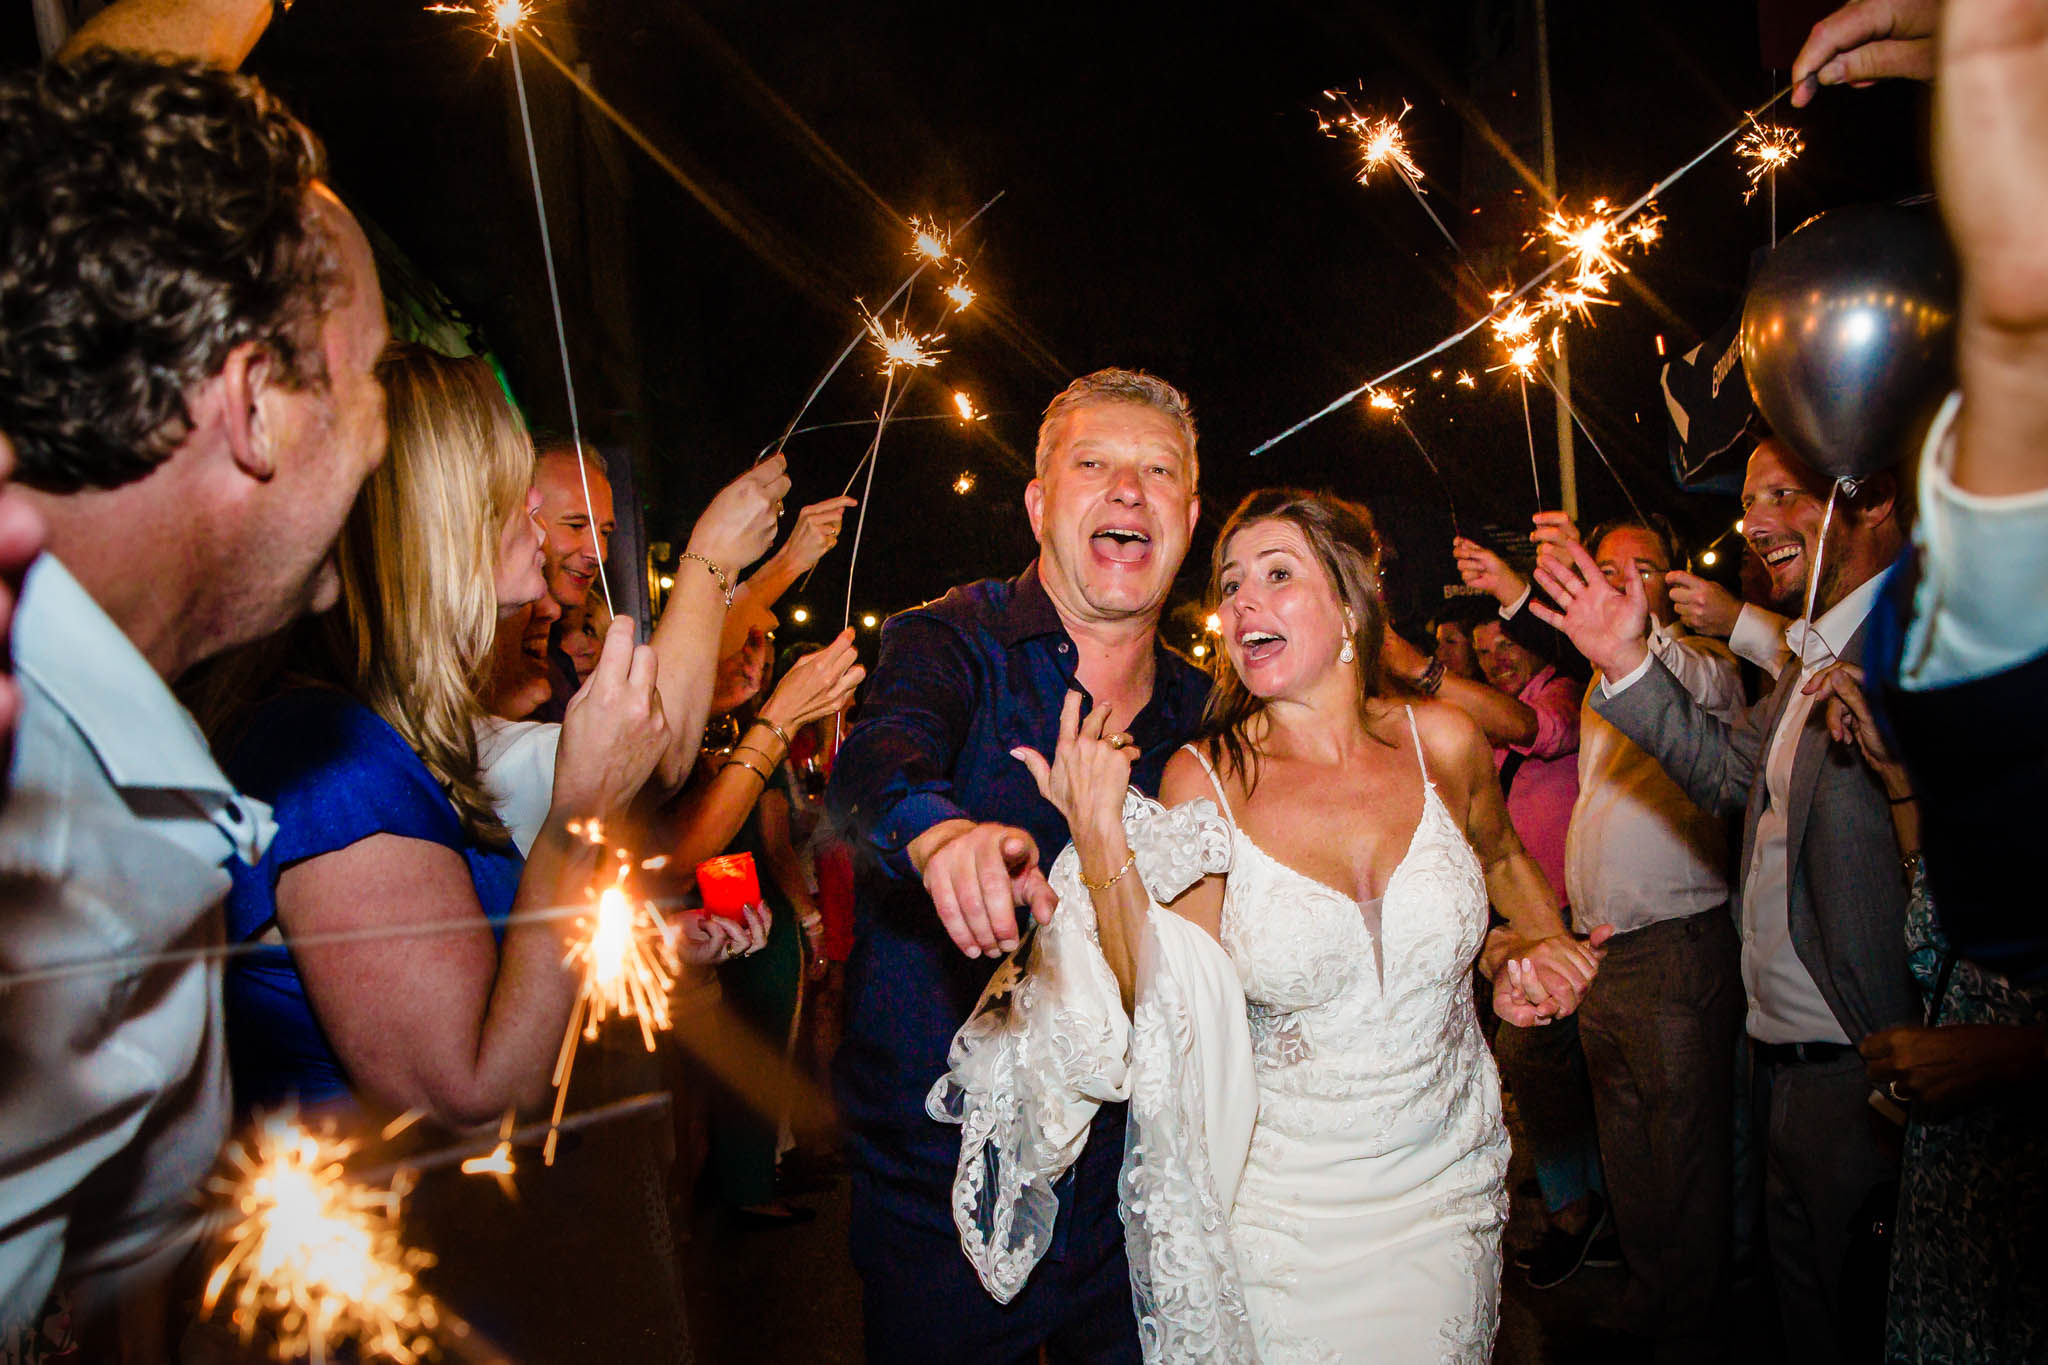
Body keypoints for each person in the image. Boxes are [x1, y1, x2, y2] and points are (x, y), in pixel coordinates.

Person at [951, 488, 1606, 1363]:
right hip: (1287, 1218)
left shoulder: (1442, 741)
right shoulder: (1204, 778)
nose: (1242, 601)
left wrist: (1530, 942)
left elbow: (1501, 861)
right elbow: (1165, 999)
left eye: (1277, 574)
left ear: (1348, 603)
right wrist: (1100, 831)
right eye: (1230, 584)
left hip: (1447, 1186)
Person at [0, 51, 385, 1337]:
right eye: (372, 374)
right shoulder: (48, 806)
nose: (383, 435)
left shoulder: (123, 771)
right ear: (257, 406)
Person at [828, 369, 1209, 1365]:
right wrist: (940, 836)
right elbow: (875, 762)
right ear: (1041, 505)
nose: (1127, 490)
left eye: (1156, 471)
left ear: (1188, 515)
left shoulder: (1208, 716)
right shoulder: (950, 640)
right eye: (1094, 464)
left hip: (1141, 1190)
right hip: (941, 1195)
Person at [1529, 437, 1917, 1365]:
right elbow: (1722, 776)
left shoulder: (1918, 643)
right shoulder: (1803, 662)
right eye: (1750, 499)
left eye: (1785, 493)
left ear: (1874, 501)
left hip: (1872, 1068)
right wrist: (1622, 656)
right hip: (1778, 1061)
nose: (1755, 520)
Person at [1555, 518, 1749, 1360]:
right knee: (1627, 1141)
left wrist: (1635, 641)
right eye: (1606, 569)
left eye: (1641, 570)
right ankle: (1648, 1294)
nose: (1619, 582)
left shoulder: (1709, 667)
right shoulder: (1601, 681)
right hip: (1602, 950)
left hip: (1677, 946)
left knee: (1687, 1149)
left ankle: (1695, 1323)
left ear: (1668, 586)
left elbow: (1689, 690)